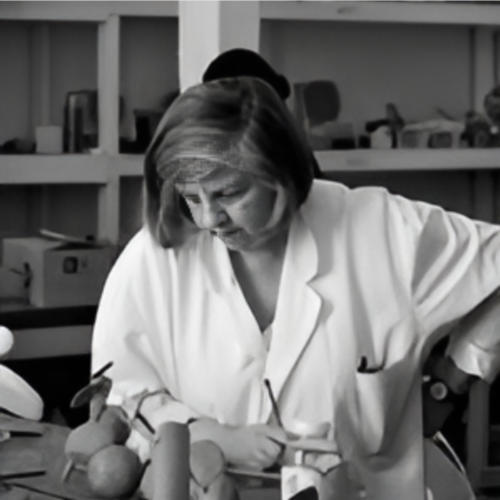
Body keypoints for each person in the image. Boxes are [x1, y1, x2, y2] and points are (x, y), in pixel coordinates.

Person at [92, 76, 500, 500]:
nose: (209, 219)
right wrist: (204, 433)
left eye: (228, 193)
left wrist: (453, 378)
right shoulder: (159, 255)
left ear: (280, 173)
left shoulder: (384, 231)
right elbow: (118, 391)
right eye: (191, 197)